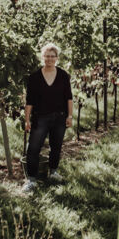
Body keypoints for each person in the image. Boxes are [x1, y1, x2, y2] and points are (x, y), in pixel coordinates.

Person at [22, 43, 74, 192]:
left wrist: (70, 116)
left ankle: (53, 172)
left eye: (53, 56)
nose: (50, 59)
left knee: (56, 147)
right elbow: (29, 101)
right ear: (43, 57)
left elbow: (68, 98)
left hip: (60, 118)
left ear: (57, 58)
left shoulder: (63, 75)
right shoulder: (35, 77)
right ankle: (31, 179)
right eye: (47, 56)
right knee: (33, 148)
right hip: (40, 118)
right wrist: (27, 119)